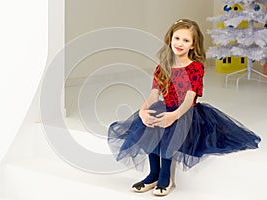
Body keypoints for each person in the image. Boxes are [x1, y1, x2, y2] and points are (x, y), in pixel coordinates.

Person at [107, 19, 261, 196]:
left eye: (186, 40)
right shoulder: (162, 67)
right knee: (152, 122)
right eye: (177, 38)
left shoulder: (195, 67)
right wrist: (143, 112)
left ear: (193, 45)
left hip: (186, 112)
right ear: (170, 39)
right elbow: (154, 94)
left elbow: (189, 98)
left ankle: (166, 177)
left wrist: (174, 115)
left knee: (170, 127)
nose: (180, 43)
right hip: (165, 106)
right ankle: (153, 174)